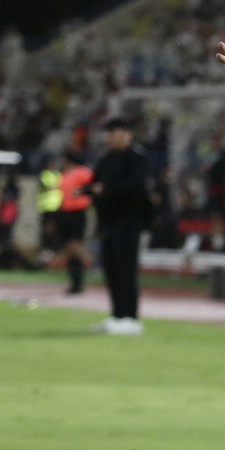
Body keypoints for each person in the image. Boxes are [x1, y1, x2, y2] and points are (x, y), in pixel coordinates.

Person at [90, 118, 151, 334]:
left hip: (129, 222)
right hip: (107, 222)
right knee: (111, 269)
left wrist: (106, 189)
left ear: (128, 134)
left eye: (117, 133)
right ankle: (117, 315)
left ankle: (131, 317)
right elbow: (95, 182)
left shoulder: (136, 158)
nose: (112, 138)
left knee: (126, 270)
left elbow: (134, 185)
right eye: (110, 134)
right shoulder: (106, 158)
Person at [55, 152, 94, 294]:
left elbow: (93, 185)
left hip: (78, 213)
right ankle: (76, 283)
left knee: (74, 245)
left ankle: (93, 265)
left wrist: (83, 192)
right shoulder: (64, 176)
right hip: (65, 213)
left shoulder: (82, 172)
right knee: (69, 249)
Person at [204, 133, 225, 251]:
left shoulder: (224, 156)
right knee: (213, 214)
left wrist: (212, 170)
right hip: (212, 188)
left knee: (218, 214)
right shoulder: (212, 155)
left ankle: (220, 241)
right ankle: (215, 239)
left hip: (220, 190)